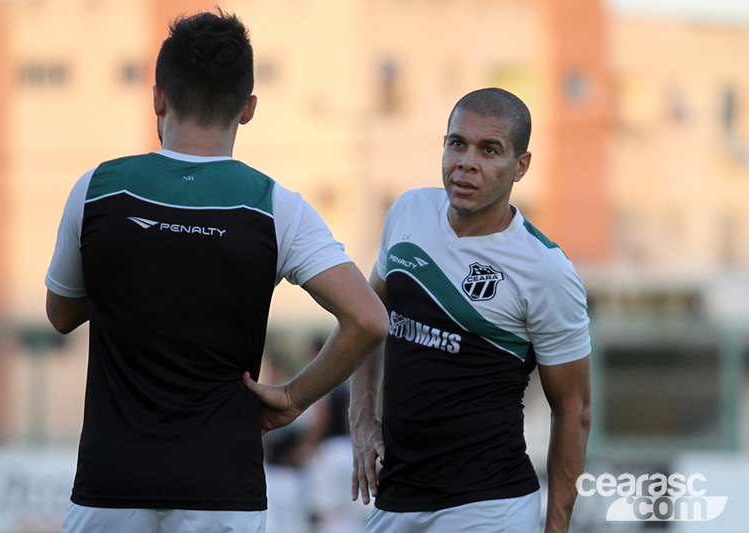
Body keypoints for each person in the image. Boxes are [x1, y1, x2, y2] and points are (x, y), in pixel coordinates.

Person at [44, 10, 387, 533]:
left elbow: (61, 314)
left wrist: (142, 273)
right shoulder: (276, 207)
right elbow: (368, 319)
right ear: (248, 109)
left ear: (158, 97)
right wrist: (293, 398)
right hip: (223, 492)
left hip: (108, 488)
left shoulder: (97, 189)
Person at [349, 88, 592, 533]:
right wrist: (362, 417)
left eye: (490, 149)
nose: (466, 162)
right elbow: (365, 320)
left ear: (521, 166)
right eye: (456, 143)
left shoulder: (545, 269)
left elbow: (574, 409)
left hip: (488, 507)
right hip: (394, 497)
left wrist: (556, 528)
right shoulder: (408, 212)